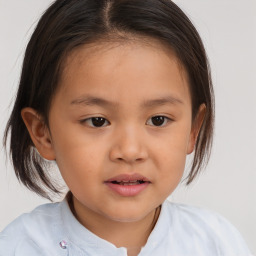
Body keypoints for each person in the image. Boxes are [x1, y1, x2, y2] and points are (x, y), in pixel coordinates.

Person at [0, 0, 252, 255]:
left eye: (158, 120)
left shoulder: (217, 243)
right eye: (97, 121)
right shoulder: (17, 247)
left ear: (193, 130)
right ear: (43, 133)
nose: (130, 151)